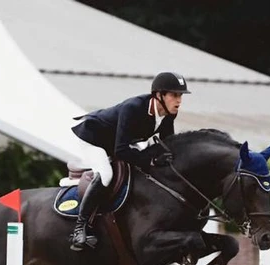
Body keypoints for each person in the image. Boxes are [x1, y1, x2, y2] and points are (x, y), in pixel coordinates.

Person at [68, 72, 190, 251]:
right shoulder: (133, 108)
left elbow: (167, 144)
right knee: (106, 175)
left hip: (116, 142)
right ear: (159, 95)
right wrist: (152, 159)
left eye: (180, 96)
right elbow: (121, 151)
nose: (178, 100)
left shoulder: (169, 114)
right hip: (93, 138)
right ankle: (79, 229)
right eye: (174, 95)